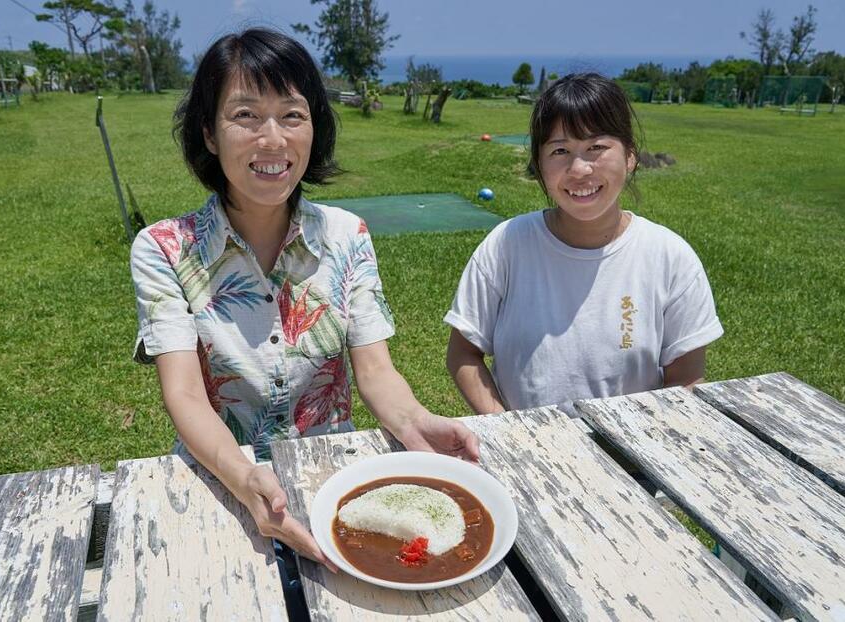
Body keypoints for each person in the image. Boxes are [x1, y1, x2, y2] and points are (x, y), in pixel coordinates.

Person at [129, 28, 479, 571]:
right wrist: (247, 480)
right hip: (220, 480)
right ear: (210, 133)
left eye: (292, 115)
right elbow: (186, 396)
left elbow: (376, 370)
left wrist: (413, 421)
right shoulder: (164, 249)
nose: (273, 139)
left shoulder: (348, 236)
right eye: (245, 116)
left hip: (331, 478)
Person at [445, 73, 723, 414]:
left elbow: (686, 378)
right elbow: (463, 353)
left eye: (596, 148)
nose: (579, 169)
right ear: (539, 164)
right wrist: (511, 430)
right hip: (527, 450)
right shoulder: (506, 245)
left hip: (632, 457)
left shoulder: (669, 256)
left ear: (630, 156)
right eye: (560, 150)